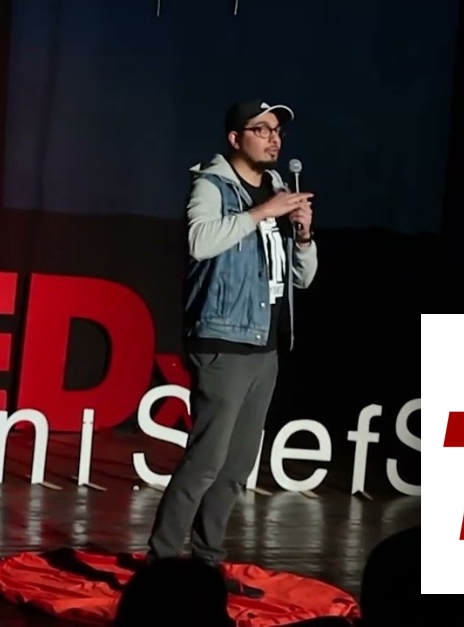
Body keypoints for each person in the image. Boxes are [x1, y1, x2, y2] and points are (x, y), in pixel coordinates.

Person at [145, 100, 319, 599]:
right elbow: (199, 242)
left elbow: (303, 279)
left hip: (265, 345)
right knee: (206, 461)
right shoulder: (213, 186)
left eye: (277, 130)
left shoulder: (279, 188)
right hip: (222, 340)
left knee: (237, 467)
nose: (273, 138)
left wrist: (304, 235)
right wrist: (262, 212)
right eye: (261, 129)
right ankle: (160, 567)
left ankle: (207, 565)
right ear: (235, 138)